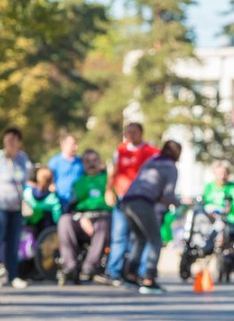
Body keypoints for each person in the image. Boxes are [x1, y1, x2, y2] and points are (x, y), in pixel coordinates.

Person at [119, 141, 181, 294]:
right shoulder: (171, 167)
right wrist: (178, 203)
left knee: (140, 238)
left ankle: (130, 276)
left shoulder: (151, 161)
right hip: (142, 202)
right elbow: (167, 194)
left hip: (126, 201)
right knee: (156, 240)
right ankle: (149, 278)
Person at [104, 122, 159, 285]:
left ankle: (142, 272)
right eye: (128, 132)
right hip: (122, 198)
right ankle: (114, 271)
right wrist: (109, 190)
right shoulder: (121, 150)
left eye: (134, 132)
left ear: (141, 133)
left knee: (141, 236)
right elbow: (114, 171)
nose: (130, 135)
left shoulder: (150, 152)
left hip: (141, 199)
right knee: (119, 236)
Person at [0, 127, 32, 289]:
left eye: (13, 141)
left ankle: (13, 276)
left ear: (19, 142)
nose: (9, 144)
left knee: (14, 242)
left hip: (16, 207)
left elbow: (26, 178)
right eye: (7, 140)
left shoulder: (23, 159)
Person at [58, 150, 112, 284]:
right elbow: (70, 207)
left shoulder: (108, 180)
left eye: (94, 160)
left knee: (103, 224)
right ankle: (70, 266)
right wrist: (80, 218)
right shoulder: (79, 183)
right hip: (82, 217)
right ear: (83, 164)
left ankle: (89, 267)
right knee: (64, 221)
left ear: (100, 162)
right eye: (87, 161)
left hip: (103, 217)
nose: (91, 164)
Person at [46, 134, 84, 206]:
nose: (76, 147)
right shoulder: (54, 162)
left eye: (76, 144)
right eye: (73, 144)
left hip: (79, 203)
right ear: (64, 145)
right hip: (60, 202)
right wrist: (51, 185)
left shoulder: (80, 161)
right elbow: (47, 181)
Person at [23, 167, 62, 233]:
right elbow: (57, 219)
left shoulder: (27, 193)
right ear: (51, 180)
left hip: (28, 232)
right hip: (46, 235)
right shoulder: (53, 199)